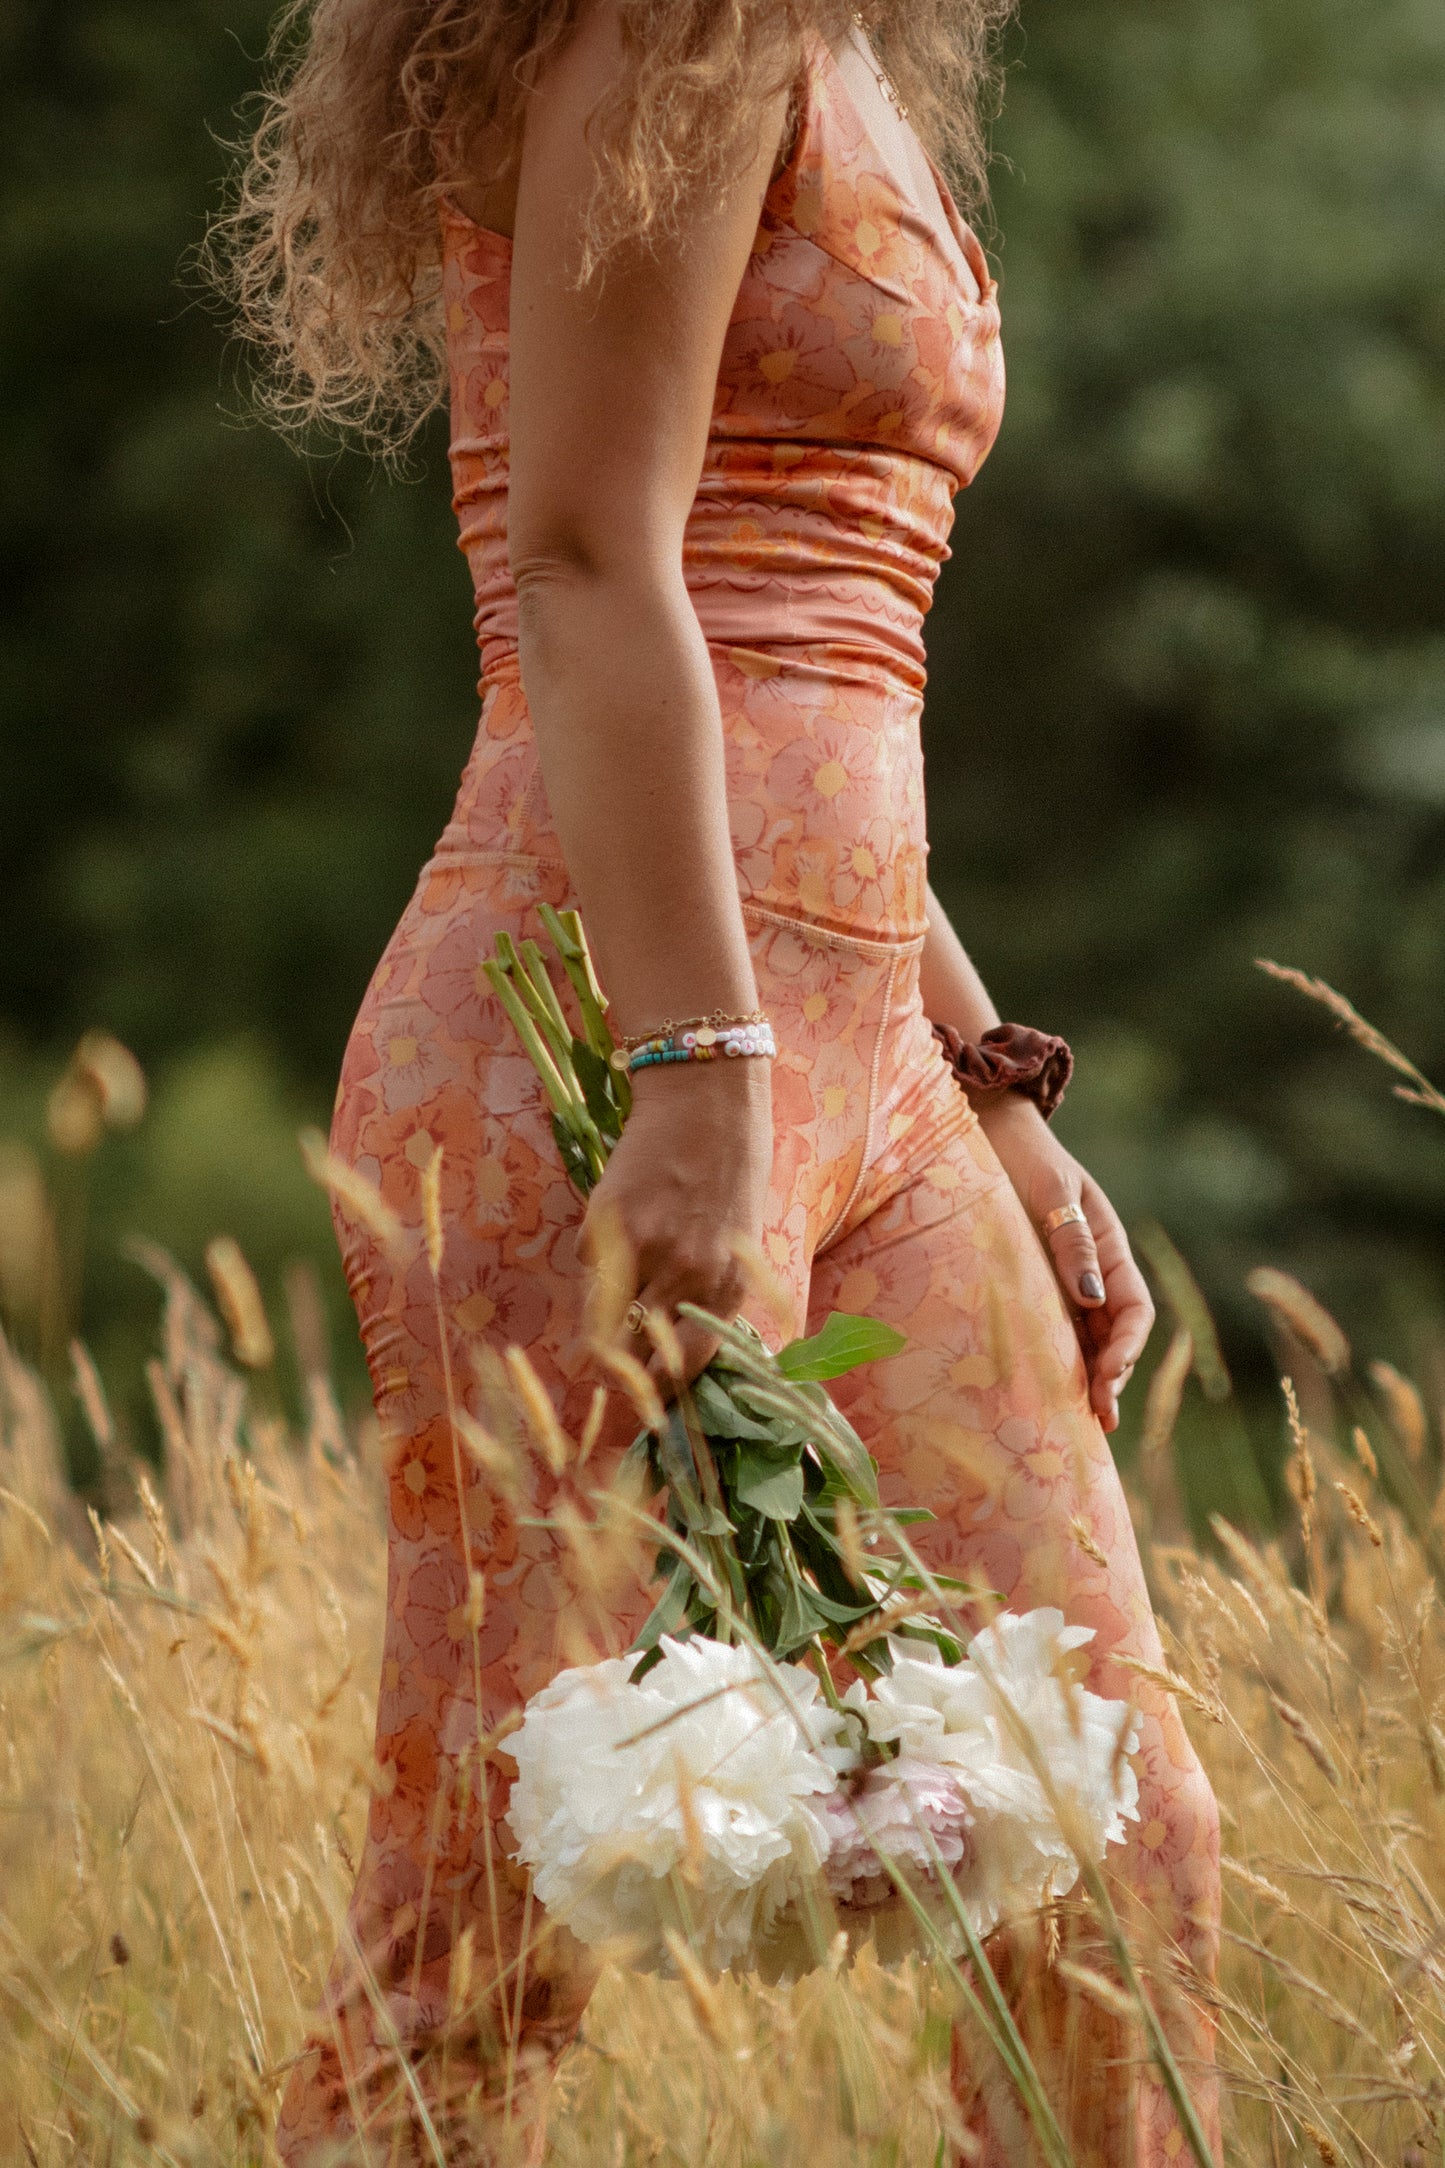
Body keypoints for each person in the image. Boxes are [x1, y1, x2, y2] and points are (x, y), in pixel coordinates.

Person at [219, 1, 1221, 2158]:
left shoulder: (842, 47)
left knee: (1110, 1840)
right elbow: (584, 561)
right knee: (491, 1942)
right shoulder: (675, 22)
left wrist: (990, 1085)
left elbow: (828, 658)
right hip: (596, 1036)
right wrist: (693, 1072)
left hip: (860, 1054)